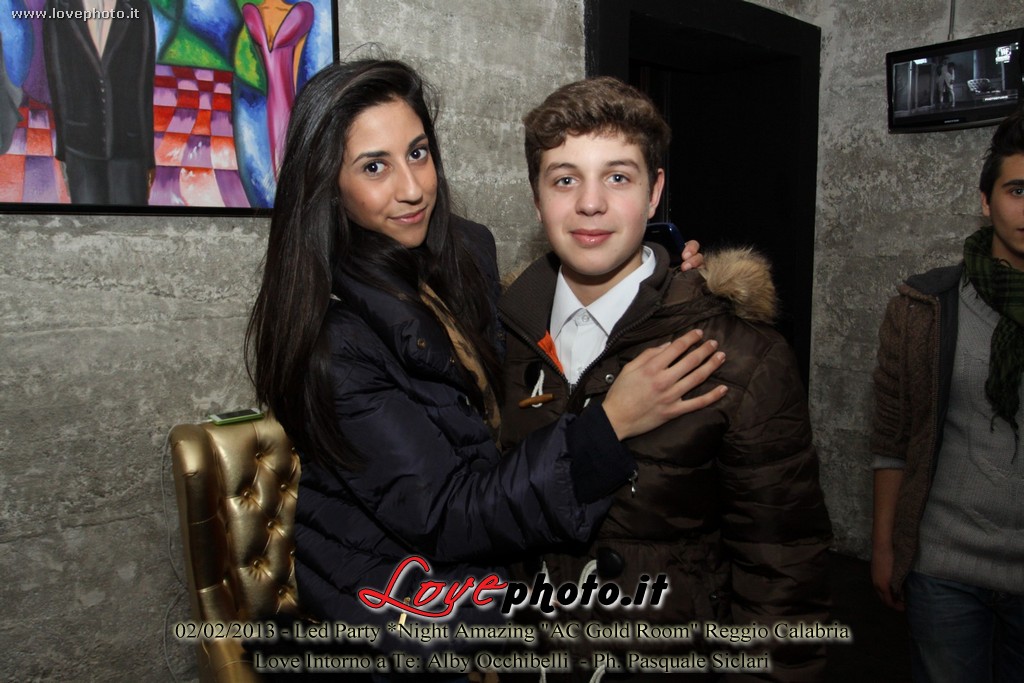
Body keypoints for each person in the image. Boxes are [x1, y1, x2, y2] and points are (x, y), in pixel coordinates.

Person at [245, 59, 726, 664]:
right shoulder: (333, 339)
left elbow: (508, 372)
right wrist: (610, 424)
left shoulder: (462, 254)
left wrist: (652, 275)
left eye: (418, 153)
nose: (412, 188)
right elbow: (446, 514)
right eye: (374, 166)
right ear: (327, 185)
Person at [498, 76, 833, 682]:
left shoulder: (740, 354)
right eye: (565, 179)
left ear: (654, 193)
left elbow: (782, 571)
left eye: (617, 177)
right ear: (537, 197)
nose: (590, 203)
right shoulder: (500, 337)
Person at [871, 108, 1024, 682]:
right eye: (1017, 190)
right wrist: (885, 548)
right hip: (944, 566)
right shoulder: (925, 307)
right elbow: (892, 439)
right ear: (986, 201)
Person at [42, 0, 155, 204]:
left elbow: (144, 83)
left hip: (129, 147)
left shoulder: (138, 5)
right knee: (87, 220)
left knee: (132, 220)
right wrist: (63, 151)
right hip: (80, 145)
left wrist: (148, 157)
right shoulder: (58, 5)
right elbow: (57, 80)